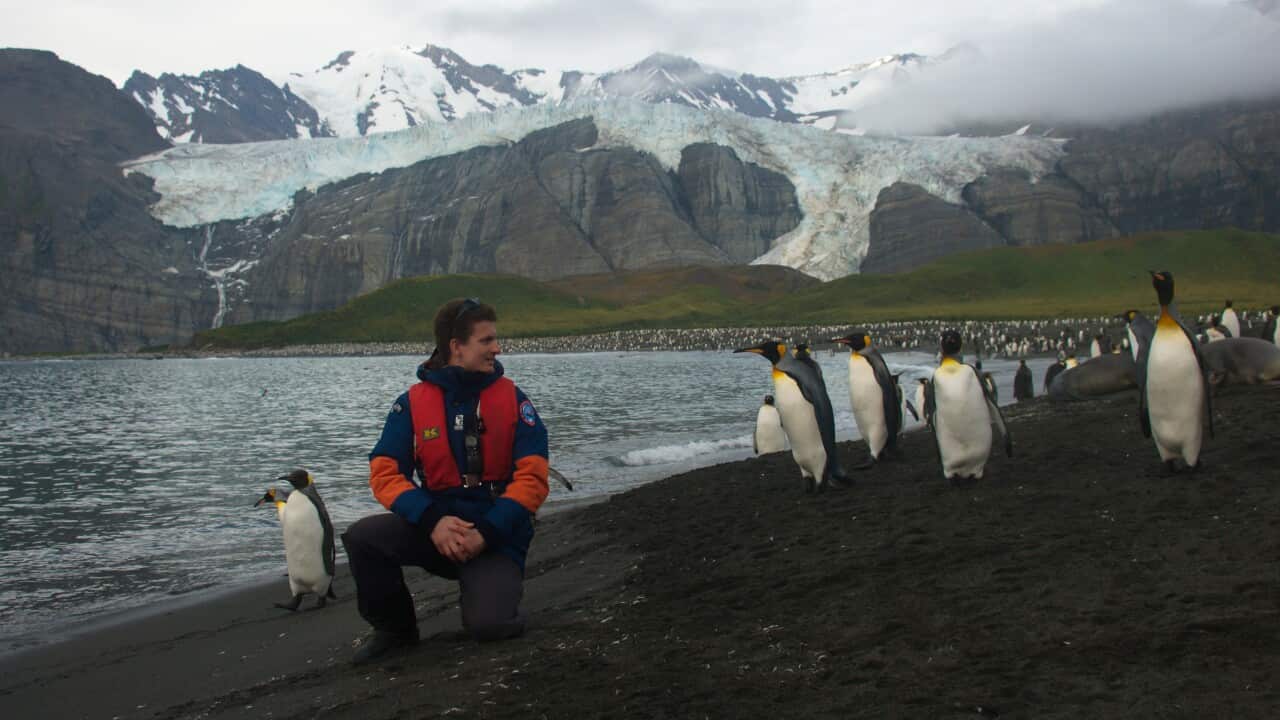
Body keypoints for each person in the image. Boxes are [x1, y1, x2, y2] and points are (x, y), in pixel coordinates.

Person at [341, 297, 550, 665]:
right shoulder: (412, 403)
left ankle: (490, 594)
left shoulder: (513, 400)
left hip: (494, 536)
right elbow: (385, 472)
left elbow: (532, 478)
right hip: (437, 529)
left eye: (494, 340)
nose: (497, 349)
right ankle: (395, 630)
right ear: (456, 347)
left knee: (490, 627)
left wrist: (485, 532)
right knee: (364, 538)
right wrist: (432, 520)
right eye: (486, 340)